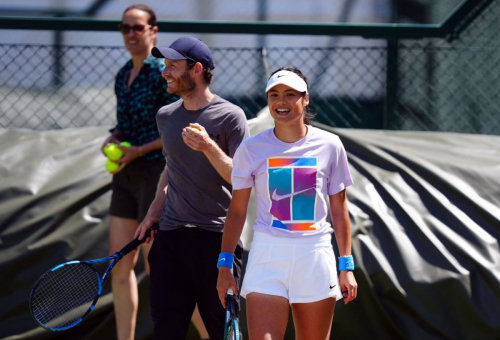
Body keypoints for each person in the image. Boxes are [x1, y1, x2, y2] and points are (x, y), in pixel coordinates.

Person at [216, 66, 358, 339]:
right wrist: (224, 265)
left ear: (306, 99)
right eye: (275, 94)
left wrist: (346, 266)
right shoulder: (251, 149)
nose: (281, 102)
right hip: (267, 255)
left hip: (315, 256)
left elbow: (339, 211)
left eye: (290, 94)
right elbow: (236, 212)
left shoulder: (331, 145)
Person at [101, 5, 212, 340]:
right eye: (125, 28)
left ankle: (214, 335)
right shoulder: (123, 74)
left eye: (137, 27)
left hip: (157, 177)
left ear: (153, 31)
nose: (131, 34)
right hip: (125, 176)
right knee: (120, 267)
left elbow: (171, 131)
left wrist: (138, 150)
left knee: (161, 271)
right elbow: (125, 125)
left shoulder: (162, 74)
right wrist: (115, 138)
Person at [134, 36, 250, 339]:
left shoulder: (231, 116)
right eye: (165, 65)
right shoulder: (166, 116)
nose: (164, 72)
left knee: (220, 331)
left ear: (196, 69)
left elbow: (239, 178)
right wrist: (152, 215)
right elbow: (170, 170)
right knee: (166, 331)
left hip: (216, 241)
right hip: (170, 240)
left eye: (173, 66)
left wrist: (209, 147)